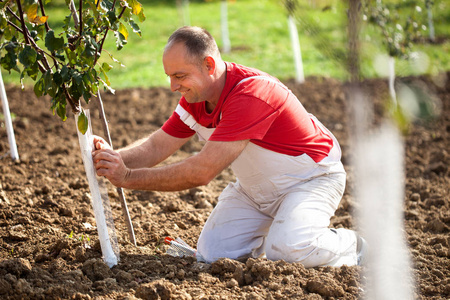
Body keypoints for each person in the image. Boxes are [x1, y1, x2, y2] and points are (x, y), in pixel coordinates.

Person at [92, 26, 367, 267]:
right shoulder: (196, 98)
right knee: (214, 255)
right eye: (169, 76)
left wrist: (127, 177)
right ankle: (286, 231)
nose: (173, 86)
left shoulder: (251, 94)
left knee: (289, 251)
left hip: (310, 180)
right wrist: (114, 158)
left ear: (209, 65)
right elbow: (156, 146)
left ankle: (351, 245)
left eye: (179, 76)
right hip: (255, 192)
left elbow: (202, 171)